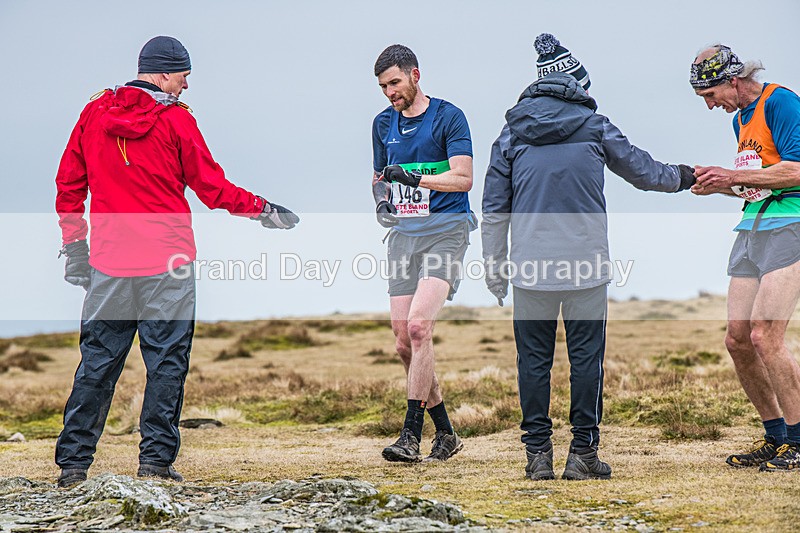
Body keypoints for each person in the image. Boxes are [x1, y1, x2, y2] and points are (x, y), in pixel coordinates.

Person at [54, 36, 299, 488]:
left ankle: (72, 466)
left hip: (109, 265)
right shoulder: (176, 121)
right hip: (169, 265)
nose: (186, 86)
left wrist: (75, 248)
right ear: (165, 73)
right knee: (167, 363)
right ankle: (156, 463)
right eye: (184, 76)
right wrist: (263, 209)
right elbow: (212, 187)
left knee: (97, 364)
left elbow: (69, 184)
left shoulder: (92, 115)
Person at [481, 33, 695, 480]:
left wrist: (495, 265)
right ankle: (582, 454)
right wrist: (688, 176)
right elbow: (644, 171)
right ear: (575, 83)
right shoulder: (595, 126)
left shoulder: (510, 134)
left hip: (530, 267)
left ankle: (538, 456)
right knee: (586, 361)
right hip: (586, 265)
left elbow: (494, 209)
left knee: (533, 363)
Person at [690, 44, 800, 472]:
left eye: (711, 96)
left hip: (790, 226)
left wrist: (732, 174)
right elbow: (757, 182)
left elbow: (795, 170)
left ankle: (799, 438)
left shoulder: (781, 101)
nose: (710, 106)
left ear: (732, 81)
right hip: (751, 228)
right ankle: (775, 438)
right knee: (737, 339)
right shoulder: (740, 118)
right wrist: (717, 184)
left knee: (765, 336)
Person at [371, 44, 474, 462]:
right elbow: (379, 178)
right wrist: (382, 203)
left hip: (447, 231)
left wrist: (415, 178)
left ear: (415, 74)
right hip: (403, 237)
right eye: (382, 87)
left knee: (418, 328)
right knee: (402, 343)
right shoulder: (382, 124)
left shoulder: (449, 117)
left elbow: (464, 178)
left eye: (394, 82)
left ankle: (411, 435)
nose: (390, 93)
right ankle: (446, 433)